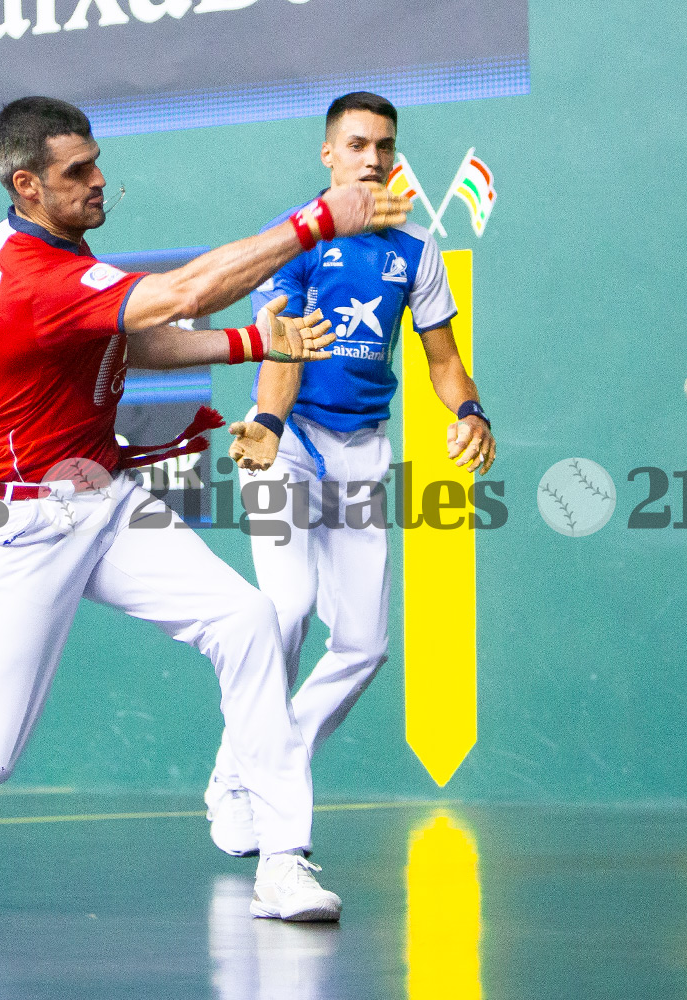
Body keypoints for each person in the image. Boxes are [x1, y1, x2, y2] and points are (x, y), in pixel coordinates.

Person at [0, 96, 410, 922]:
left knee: (246, 620)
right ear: (26, 184)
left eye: (97, 161)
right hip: (20, 523)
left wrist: (254, 342)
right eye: (77, 172)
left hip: (101, 493)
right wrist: (318, 220)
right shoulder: (34, 279)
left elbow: (130, 333)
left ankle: (281, 857)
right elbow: (179, 295)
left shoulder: (48, 244)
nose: (100, 181)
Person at [204, 92, 497, 856]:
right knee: (289, 604)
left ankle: (258, 763)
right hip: (286, 439)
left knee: (364, 645)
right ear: (329, 156)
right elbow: (281, 344)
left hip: (362, 451)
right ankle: (245, 783)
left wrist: (470, 413)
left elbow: (442, 362)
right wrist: (266, 425)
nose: (373, 158)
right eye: (358, 145)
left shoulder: (416, 252)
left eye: (385, 146)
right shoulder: (295, 240)